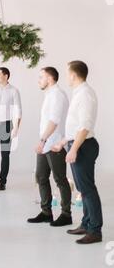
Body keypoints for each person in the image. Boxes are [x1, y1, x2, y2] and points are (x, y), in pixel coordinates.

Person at [53, 61, 103, 244]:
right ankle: (86, 223)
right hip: (77, 144)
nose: (66, 77)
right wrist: (65, 141)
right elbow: (76, 126)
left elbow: (85, 126)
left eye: (67, 73)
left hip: (84, 147)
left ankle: (95, 231)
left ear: (73, 75)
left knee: (88, 189)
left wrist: (73, 149)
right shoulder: (79, 93)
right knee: (83, 189)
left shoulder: (85, 94)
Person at [28, 67, 72, 226]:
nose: (39, 80)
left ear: (50, 78)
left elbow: (54, 121)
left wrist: (42, 141)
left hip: (54, 144)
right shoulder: (49, 95)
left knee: (60, 179)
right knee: (41, 177)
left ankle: (66, 215)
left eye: (41, 77)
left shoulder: (57, 95)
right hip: (46, 143)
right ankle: (46, 212)